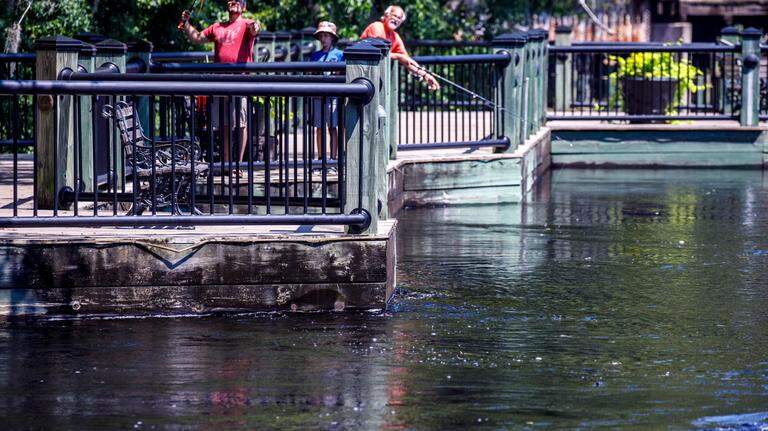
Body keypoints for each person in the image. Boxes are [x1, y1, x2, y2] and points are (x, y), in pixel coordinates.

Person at [181, 0, 260, 174]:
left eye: (238, 1)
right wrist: (186, 24)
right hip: (219, 83)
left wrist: (256, 26)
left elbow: (255, 29)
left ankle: (238, 165)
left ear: (243, 7)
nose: (233, 3)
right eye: (231, 1)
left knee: (240, 124)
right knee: (223, 125)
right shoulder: (217, 26)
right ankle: (226, 165)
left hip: (240, 83)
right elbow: (197, 38)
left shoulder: (247, 24)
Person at [360, 5, 440, 91]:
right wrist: (398, 56)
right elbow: (377, 53)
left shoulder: (395, 37)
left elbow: (407, 60)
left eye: (399, 18)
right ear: (386, 15)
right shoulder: (377, 27)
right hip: (358, 69)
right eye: (394, 16)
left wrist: (426, 75)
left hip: (374, 76)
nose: (396, 20)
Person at [310, 21, 344, 161]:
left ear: (332, 38)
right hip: (319, 95)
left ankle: (333, 158)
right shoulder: (314, 56)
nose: (323, 39)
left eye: (326, 36)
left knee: (333, 127)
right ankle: (320, 158)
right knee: (319, 128)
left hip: (333, 95)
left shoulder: (340, 55)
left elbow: (343, 73)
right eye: (322, 36)